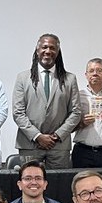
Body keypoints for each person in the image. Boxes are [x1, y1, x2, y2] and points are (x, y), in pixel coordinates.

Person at [12, 33, 82, 169]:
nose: (48, 51)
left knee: (58, 182)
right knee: (30, 180)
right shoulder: (23, 78)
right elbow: (18, 113)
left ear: (58, 51)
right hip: (30, 144)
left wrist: (57, 135)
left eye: (52, 48)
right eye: (44, 47)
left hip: (59, 145)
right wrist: (37, 136)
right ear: (37, 50)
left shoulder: (70, 79)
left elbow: (76, 112)